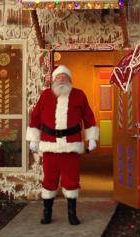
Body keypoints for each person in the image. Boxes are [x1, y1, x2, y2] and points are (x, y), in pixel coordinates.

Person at [26, 65, 98, 225]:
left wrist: (91, 138)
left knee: (71, 180)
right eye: (58, 77)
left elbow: (88, 116)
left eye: (64, 77)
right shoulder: (45, 95)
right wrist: (33, 139)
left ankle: (72, 214)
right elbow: (36, 117)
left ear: (70, 80)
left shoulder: (79, 95)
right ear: (53, 80)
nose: (61, 79)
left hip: (71, 146)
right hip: (50, 145)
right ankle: (47, 213)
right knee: (49, 180)